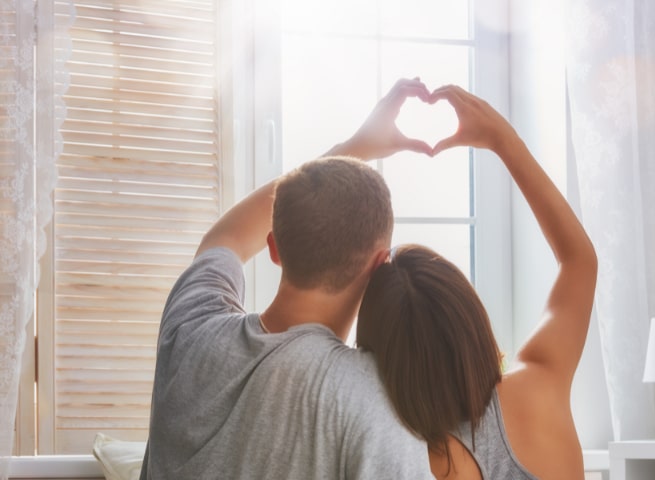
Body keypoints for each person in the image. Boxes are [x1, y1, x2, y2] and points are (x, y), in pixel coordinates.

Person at [139, 79, 437, 479]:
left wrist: (354, 147)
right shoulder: (371, 404)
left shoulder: (190, 326)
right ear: (381, 264)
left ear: (274, 247)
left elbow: (224, 238)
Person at [357, 86, 598, 480]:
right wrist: (504, 142)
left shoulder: (407, 456)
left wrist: (354, 148)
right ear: (469, 318)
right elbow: (580, 262)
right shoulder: (539, 391)